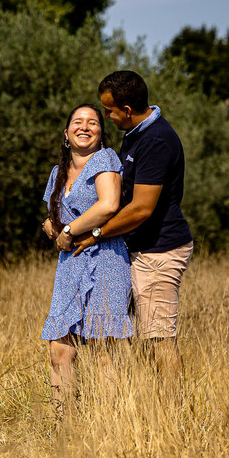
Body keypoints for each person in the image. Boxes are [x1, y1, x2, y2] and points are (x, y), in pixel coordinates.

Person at [68, 70, 193, 397]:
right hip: (136, 248)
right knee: (109, 332)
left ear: (126, 109)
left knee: (158, 338)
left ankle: (174, 413)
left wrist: (97, 233)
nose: (106, 117)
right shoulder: (135, 133)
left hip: (159, 251)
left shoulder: (156, 140)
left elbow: (141, 209)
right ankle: (121, 403)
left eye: (108, 111)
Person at [41, 103, 134, 412]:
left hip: (105, 259)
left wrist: (68, 230)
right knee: (59, 348)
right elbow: (55, 216)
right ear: (66, 134)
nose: (84, 127)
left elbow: (108, 205)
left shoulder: (105, 159)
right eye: (77, 122)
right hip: (70, 266)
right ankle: (64, 422)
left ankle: (108, 423)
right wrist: (52, 227)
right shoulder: (58, 172)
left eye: (92, 122)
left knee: (102, 348)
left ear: (101, 133)